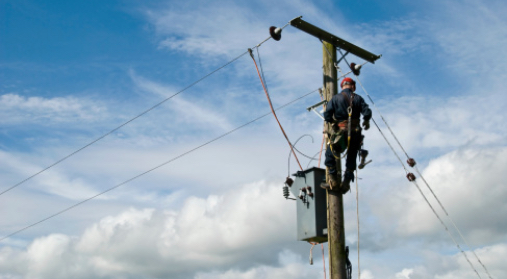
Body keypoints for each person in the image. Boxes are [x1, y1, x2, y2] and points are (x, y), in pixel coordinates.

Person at [323, 77, 372, 193]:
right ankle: (346, 183)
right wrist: (366, 121)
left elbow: (327, 116)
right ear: (353, 87)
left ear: (342, 86)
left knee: (331, 154)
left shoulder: (335, 98)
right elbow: (367, 112)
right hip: (355, 132)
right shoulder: (358, 99)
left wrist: (333, 122)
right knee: (352, 156)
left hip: (341, 132)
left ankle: (333, 180)